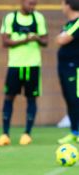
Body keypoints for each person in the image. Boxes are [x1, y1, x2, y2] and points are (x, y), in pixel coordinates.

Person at [0, 0, 48, 146]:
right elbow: (5, 41)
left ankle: (27, 134)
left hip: (33, 65)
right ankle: (5, 134)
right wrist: (25, 39)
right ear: (22, 2)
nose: (32, 7)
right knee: (9, 97)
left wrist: (37, 39)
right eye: (30, 3)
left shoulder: (38, 18)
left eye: (34, 4)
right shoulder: (10, 18)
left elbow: (46, 40)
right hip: (15, 65)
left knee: (32, 98)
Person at [56, 0, 79, 144]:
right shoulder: (69, 23)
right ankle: (74, 131)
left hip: (74, 67)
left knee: (75, 98)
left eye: (63, 3)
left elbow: (62, 39)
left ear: (69, 5)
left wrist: (61, 37)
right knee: (69, 99)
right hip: (64, 66)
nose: (62, 7)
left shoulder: (78, 22)